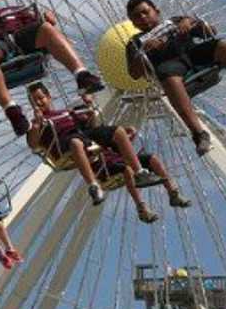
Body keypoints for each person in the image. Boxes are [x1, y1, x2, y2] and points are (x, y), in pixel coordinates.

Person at [124, 0, 226, 156]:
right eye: (137, 16)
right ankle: (199, 134)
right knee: (168, 76)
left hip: (193, 54)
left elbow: (210, 31)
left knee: (223, 46)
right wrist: (144, 51)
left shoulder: (175, 21)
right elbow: (134, 74)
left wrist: (192, 22)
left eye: (145, 12)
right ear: (133, 23)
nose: (143, 17)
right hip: (170, 66)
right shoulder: (135, 43)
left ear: (156, 11)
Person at [0, 0, 105, 136]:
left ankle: (82, 75)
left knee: (46, 28)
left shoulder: (16, 11)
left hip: (23, 38)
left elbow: (39, 24)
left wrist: (49, 20)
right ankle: (12, 110)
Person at [26, 82, 190, 222]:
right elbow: (33, 144)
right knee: (79, 144)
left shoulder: (68, 112)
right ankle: (94, 186)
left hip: (85, 139)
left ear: (49, 97)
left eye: (41, 98)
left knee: (121, 135)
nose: (39, 102)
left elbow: (91, 127)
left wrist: (90, 109)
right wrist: (37, 125)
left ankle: (160, 185)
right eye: (35, 101)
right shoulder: (36, 123)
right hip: (64, 145)